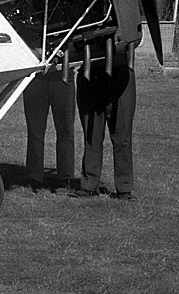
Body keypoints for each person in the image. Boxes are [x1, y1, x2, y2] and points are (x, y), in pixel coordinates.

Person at [72, 40, 138, 201]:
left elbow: (133, 35)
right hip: (89, 72)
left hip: (119, 72)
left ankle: (124, 188)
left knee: (122, 135)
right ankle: (89, 184)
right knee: (91, 134)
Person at [22, 63, 76, 192]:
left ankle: (65, 177)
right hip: (36, 77)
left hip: (63, 76)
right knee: (35, 131)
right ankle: (34, 176)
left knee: (65, 130)